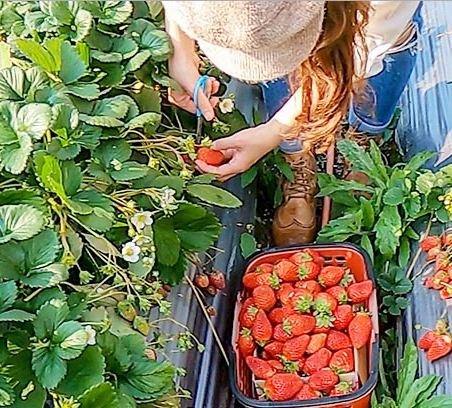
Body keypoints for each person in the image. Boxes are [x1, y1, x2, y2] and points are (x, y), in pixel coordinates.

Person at [163, 1, 422, 245]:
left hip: (377, 16)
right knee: (274, 48)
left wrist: (274, 130)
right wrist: (180, 53)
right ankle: (297, 158)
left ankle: (362, 142)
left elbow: (360, 55)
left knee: (387, 49)